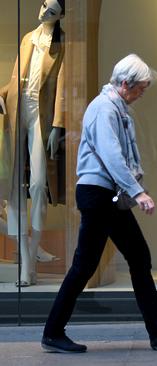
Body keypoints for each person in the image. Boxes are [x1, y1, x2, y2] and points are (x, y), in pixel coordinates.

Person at [41, 54, 157, 353]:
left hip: (106, 196)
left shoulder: (116, 107)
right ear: (125, 84)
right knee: (86, 265)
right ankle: (52, 332)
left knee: (137, 257)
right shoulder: (104, 109)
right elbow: (112, 156)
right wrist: (138, 192)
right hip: (99, 196)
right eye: (140, 89)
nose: (141, 95)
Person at [0, 0, 66, 287]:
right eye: (43, 5)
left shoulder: (61, 44)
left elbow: (63, 86)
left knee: (38, 184)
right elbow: (15, 79)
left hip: (41, 113)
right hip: (17, 110)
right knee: (15, 187)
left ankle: (34, 249)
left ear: (60, 16)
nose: (43, 12)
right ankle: (27, 260)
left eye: (51, 11)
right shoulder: (28, 38)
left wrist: (58, 124)